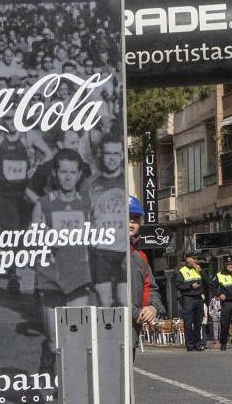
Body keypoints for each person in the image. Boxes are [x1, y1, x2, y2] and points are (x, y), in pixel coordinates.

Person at [31, 148, 93, 371]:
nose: (67, 177)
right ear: (56, 174)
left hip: (78, 279)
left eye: (72, 172)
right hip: (50, 279)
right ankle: (47, 377)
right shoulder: (44, 204)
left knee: (75, 340)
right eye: (63, 171)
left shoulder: (86, 203)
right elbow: (33, 240)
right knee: (54, 341)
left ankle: (71, 386)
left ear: (78, 174)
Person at [89, 136, 128, 308]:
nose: (111, 158)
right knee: (105, 303)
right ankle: (104, 336)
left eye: (115, 153)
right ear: (100, 155)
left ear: (121, 155)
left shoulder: (128, 181)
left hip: (124, 250)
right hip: (100, 251)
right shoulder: (90, 184)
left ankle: (126, 335)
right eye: (107, 153)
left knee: (125, 301)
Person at [128, 196, 164, 359]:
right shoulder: (104, 252)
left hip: (132, 334)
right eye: (126, 218)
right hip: (108, 333)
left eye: (135, 218)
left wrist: (153, 307)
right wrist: (135, 312)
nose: (131, 223)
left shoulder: (140, 256)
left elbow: (152, 289)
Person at [175, 253, 207, 352]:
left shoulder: (198, 270)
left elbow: (208, 281)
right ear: (187, 259)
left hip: (198, 298)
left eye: (196, 259)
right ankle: (189, 344)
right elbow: (178, 285)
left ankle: (197, 343)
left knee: (198, 323)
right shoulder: (181, 271)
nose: (195, 261)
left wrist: (201, 271)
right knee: (188, 323)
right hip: (188, 298)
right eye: (194, 258)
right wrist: (190, 286)